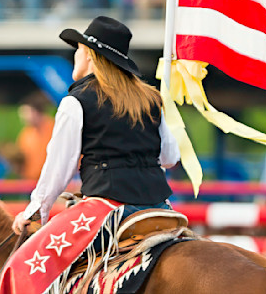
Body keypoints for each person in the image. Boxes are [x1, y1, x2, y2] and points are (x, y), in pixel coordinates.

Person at [12, 16, 180, 233]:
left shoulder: (76, 102)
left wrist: (35, 212)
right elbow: (169, 158)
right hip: (158, 208)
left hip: (107, 210)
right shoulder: (151, 99)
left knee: (33, 263)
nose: (75, 55)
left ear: (89, 54)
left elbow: (59, 168)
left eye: (78, 49)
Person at [16, 101, 55, 182]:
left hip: (53, 181)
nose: (23, 117)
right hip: (31, 182)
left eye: (26, 113)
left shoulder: (54, 129)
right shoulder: (25, 134)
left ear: (36, 112)